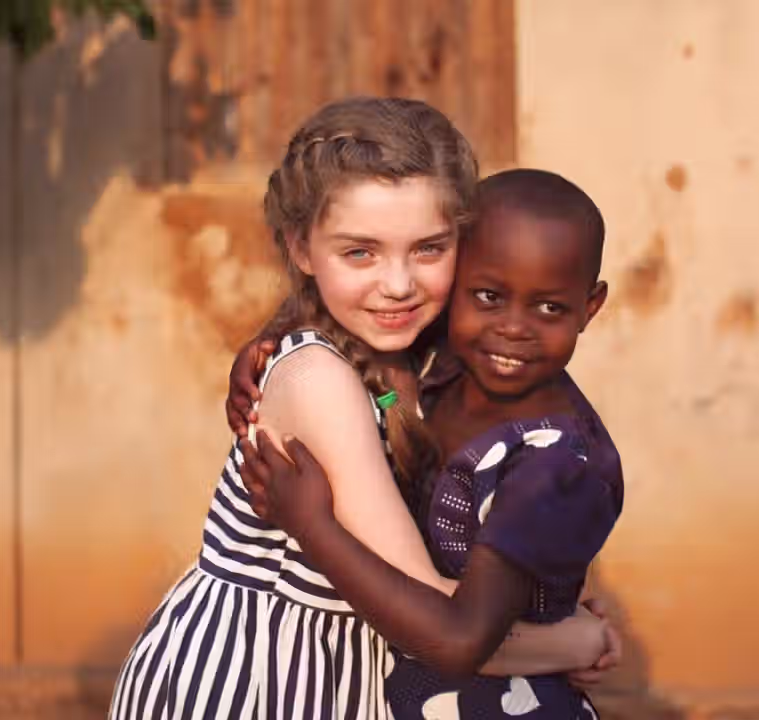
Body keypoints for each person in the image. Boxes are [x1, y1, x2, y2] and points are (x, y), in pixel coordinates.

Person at [109, 100, 615, 720]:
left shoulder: (420, 354)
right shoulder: (321, 380)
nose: (397, 284)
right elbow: (446, 626)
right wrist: (573, 639)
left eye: (428, 249)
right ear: (301, 247)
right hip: (255, 681)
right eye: (360, 254)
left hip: (342, 672)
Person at [239, 169, 624, 718]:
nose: (513, 328)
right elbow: (361, 351)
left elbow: (460, 642)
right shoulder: (444, 363)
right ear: (454, 282)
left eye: (550, 308)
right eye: (489, 295)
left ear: (590, 306)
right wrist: (266, 347)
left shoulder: (555, 468)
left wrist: (312, 526)